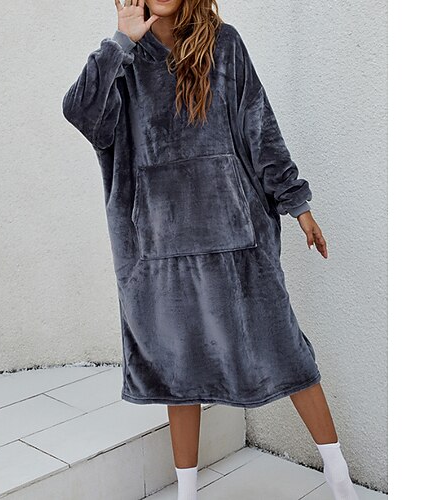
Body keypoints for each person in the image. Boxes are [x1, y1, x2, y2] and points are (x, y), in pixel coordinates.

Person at [62, 1, 359, 499]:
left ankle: (340, 479)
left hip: (236, 240)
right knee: (177, 373)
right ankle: (187, 492)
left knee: (287, 351)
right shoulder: (125, 58)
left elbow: (260, 127)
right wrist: (120, 42)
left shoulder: (224, 44)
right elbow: (81, 112)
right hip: (158, 250)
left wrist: (297, 203)